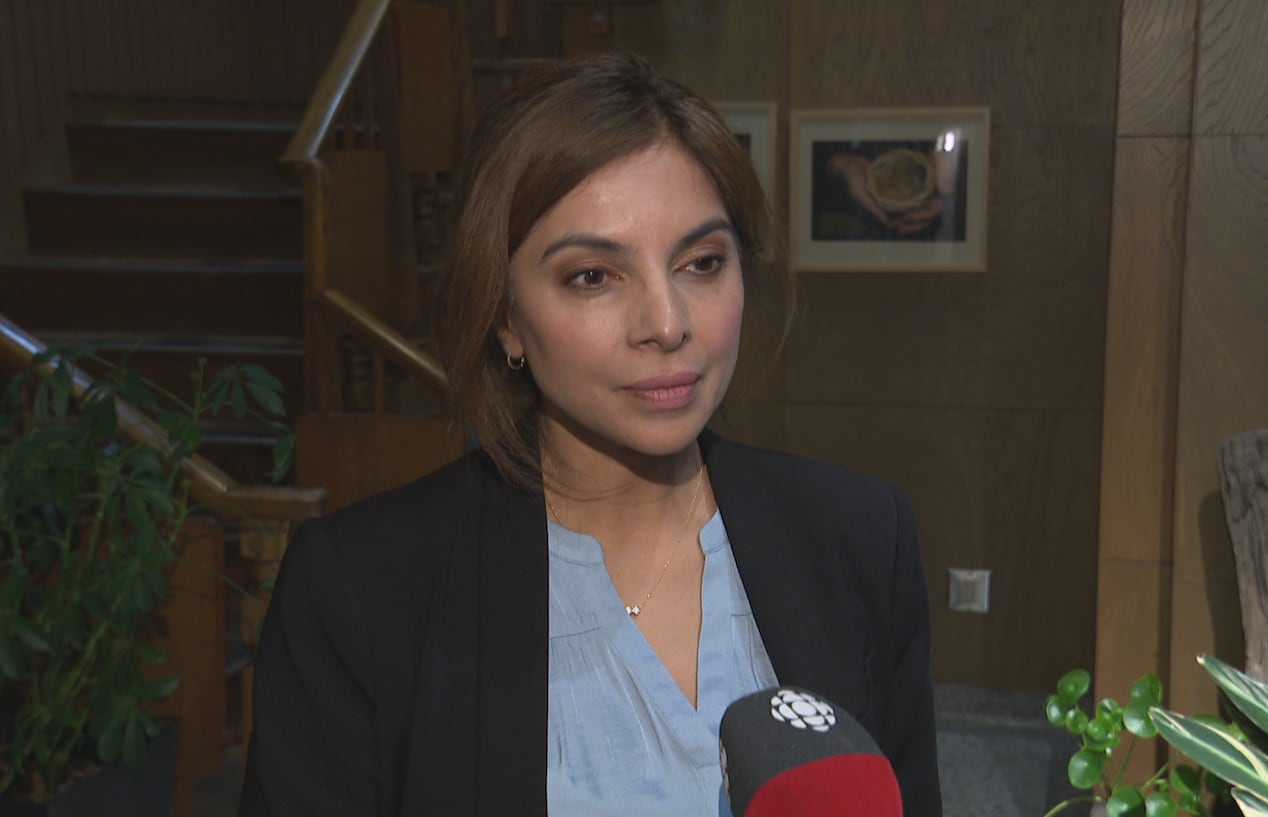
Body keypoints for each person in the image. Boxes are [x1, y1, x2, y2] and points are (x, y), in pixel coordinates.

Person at [238, 52, 941, 817]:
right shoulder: (362, 588)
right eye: (593, 277)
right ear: (504, 315)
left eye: (702, 263)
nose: (668, 324)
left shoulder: (861, 536)